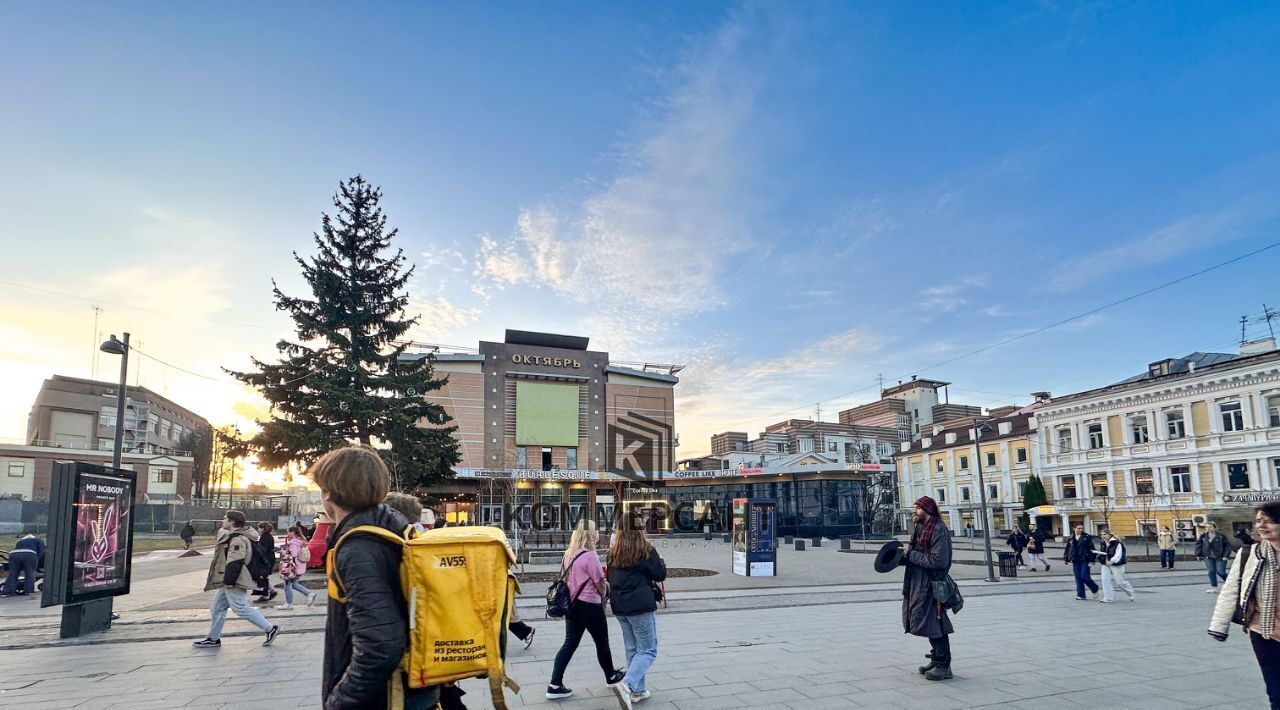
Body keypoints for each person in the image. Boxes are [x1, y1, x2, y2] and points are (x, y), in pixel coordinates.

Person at [1209, 502, 1280, 709]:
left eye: (1269, 521)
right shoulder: (1250, 553)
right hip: (1264, 632)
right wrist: (1219, 626)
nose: (1262, 526)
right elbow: (1231, 589)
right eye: (1258, 521)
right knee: (1276, 691)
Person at [547, 520, 625, 700]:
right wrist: (605, 593)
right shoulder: (590, 556)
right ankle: (611, 676)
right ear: (590, 535)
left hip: (572, 606)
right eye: (595, 531)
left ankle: (554, 684)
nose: (597, 534)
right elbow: (599, 581)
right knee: (601, 641)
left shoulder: (568, 554)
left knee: (569, 644)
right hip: (590, 606)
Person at [191, 510, 279, 648]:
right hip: (231, 578)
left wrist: (229, 581)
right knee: (217, 607)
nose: (223, 521)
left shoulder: (237, 539)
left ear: (232, 522)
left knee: (240, 607)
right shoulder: (236, 536)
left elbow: (235, 561)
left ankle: (269, 628)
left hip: (236, 579)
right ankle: (213, 638)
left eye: (225, 518)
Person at [607, 527, 667, 709]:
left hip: (619, 606)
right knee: (648, 650)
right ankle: (627, 685)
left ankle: (637, 691)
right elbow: (659, 574)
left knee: (632, 648)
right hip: (640, 605)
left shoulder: (613, 552)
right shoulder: (645, 550)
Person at [903, 496, 955, 681]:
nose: (914, 511)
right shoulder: (919, 528)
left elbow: (938, 561)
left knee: (936, 623)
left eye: (917, 508)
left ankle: (943, 665)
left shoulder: (938, 529)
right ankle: (936, 658)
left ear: (927, 510)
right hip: (919, 583)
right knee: (928, 623)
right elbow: (915, 555)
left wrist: (910, 554)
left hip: (933, 585)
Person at [274, 525, 316, 610]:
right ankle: (309, 594)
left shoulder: (293, 542)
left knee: (287, 585)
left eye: (288, 532)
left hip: (293, 567)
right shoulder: (301, 541)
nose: (287, 534)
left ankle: (288, 603)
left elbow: (293, 554)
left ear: (292, 532)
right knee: (293, 584)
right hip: (300, 566)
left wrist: (281, 551)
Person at [1096, 528, 1135, 603]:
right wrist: (1101, 559)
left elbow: (1119, 554)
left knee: (1120, 581)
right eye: (1102, 535)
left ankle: (1130, 592)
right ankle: (1108, 597)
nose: (1103, 536)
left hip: (1116, 564)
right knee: (1105, 580)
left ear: (1109, 534)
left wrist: (1112, 561)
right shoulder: (1103, 542)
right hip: (1105, 563)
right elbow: (1102, 552)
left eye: (1105, 534)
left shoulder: (1117, 543)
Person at [1063, 523, 1099, 601]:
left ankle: (1094, 588)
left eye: (1081, 528)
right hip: (1075, 560)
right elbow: (1068, 549)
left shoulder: (1086, 537)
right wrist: (1066, 558)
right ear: (1074, 528)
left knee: (1084, 576)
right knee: (1078, 578)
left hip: (1085, 559)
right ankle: (1081, 595)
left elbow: (1092, 548)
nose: (1080, 530)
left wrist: (1092, 559)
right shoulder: (1071, 538)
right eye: (1078, 528)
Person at [1196, 522, 1232, 593]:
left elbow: (1228, 546)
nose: (1208, 529)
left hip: (1220, 556)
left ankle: (1230, 583)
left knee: (1220, 572)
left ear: (1215, 528)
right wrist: (1198, 555)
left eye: (1210, 527)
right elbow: (1198, 545)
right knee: (1211, 571)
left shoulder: (1221, 536)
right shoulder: (1203, 536)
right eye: (1206, 527)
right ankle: (1214, 587)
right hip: (1208, 556)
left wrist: (1226, 555)